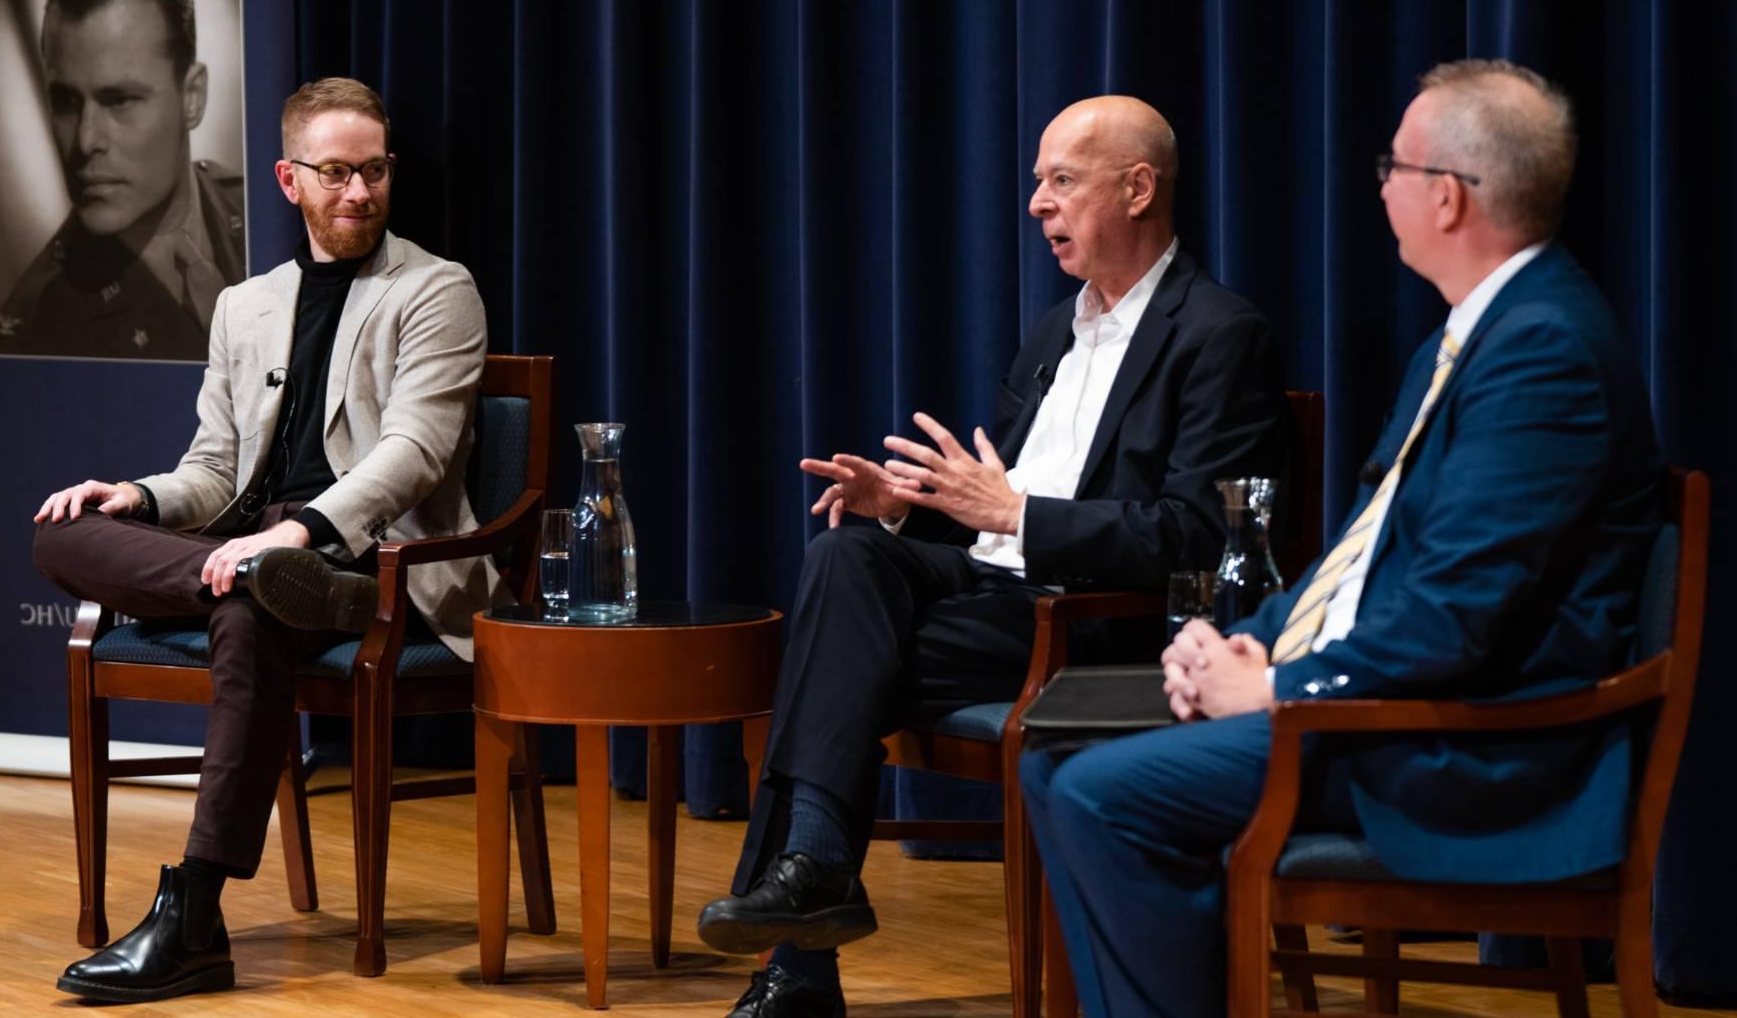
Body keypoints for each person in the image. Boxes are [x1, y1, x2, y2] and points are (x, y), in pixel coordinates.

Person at [1022, 60, 1663, 1017]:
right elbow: (1361, 560)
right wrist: (1256, 637)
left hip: (1471, 747)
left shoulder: (1544, 353)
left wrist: (1278, 687)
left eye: (1392, 168)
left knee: (1100, 790)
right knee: (1053, 754)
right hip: (1389, 702)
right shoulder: (1473, 335)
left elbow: (1453, 616)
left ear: (1446, 198)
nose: (1380, 187)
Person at [694, 96, 1291, 1018]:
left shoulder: (1218, 334)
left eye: (1060, 180)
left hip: (1098, 621)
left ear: (1138, 188)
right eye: (1037, 181)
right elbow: (988, 515)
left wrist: (1016, 510)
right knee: (848, 558)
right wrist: (906, 506)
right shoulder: (1055, 330)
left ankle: (800, 961)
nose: (1035, 204)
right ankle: (813, 876)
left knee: (833, 660)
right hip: (993, 597)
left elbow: (1197, 536)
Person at [30, 76, 504, 1002]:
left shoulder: (438, 290)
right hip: (255, 558)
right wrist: (135, 493)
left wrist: (298, 529)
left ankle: (191, 915)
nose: (359, 192)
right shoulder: (245, 305)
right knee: (66, 534)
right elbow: (213, 469)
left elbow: (414, 452)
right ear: (290, 179)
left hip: (379, 564)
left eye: (374, 171)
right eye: (336, 173)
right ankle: (265, 583)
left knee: (251, 608)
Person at [0, 0, 245, 360]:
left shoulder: (264, 208)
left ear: (192, 98)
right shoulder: (36, 331)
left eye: (119, 100)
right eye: (66, 103)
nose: (86, 140)